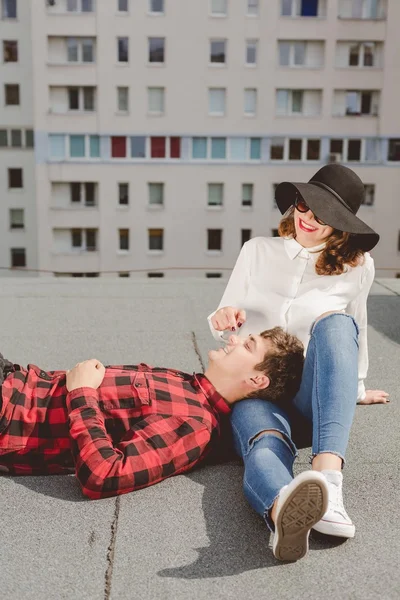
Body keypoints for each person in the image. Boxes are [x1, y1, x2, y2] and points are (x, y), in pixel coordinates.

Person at [208, 163, 389, 562]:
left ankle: (329, 479)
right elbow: (227, 314)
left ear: (340, 224)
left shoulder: (357, 267)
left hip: (311, 399)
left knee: (337, 322)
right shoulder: (257, 251)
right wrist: (223, 319)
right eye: (305, 205)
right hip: (258, 390)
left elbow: (354, 330)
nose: (308, 218)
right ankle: (283, 509)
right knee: (264, 444)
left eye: (323, 214)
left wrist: (354, 389)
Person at [0, 327, 304, 500]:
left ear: (256, 380)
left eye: (248, 346)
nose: (234, 339)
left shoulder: (196, 425)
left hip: (11, 417)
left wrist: (82, 392)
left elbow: (103, 476)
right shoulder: (187, 382)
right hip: (15, 378)